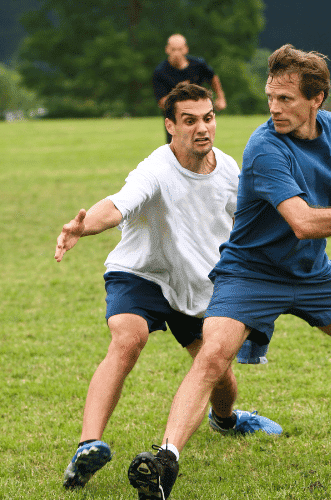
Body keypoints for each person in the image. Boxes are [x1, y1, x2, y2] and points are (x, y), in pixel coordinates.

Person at [127, 44, 331, 500]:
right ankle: (165, 461)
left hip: (312, 272)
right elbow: (305, 222)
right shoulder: (264, 146)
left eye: (286, 99)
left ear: (316, 99)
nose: (274, 108)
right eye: (270, 97)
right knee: (213, 357)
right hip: (250, 273)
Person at [57, 83, 280, 492]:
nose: (202, 128)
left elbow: (258, 218)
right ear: (170, 125)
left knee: (221, 377)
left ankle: (227, 420)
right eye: (190, 120)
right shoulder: (157, 167)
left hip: (195, 284)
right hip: (142, 272)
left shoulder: (230, 171)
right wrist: (83, 227)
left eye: (208, 118)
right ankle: (88, 445)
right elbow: (118, 204)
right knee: (128, 339)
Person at [153, 34, 227, 143]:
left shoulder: (198, 65)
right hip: (176, 119)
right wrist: (181, 94)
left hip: (200, 114)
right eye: (173, 49)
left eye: (180, 49)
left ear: (186, 49)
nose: (177, 53)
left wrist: (220, 98)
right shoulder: (160, 72)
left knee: (202, 144)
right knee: (176, 149)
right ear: (167, 50)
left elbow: (213, 78)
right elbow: (162, 102)